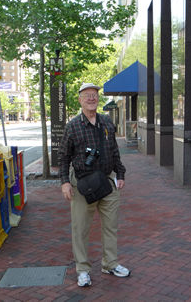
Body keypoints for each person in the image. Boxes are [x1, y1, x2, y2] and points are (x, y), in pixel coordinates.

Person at [58, 82, 130, 287]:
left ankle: (110, 263)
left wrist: (120, 173)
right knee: (80, 229)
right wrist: (64, 183)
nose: (91, 98)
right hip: (82, 184)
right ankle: (82, 269)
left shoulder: (107, 122)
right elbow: (63, 157)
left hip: (107, 182)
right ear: (80, 99)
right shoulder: (73, 126)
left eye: (94, 95)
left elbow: (115, 151)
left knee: (111, 226)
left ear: (98, 99)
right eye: (87, 95)